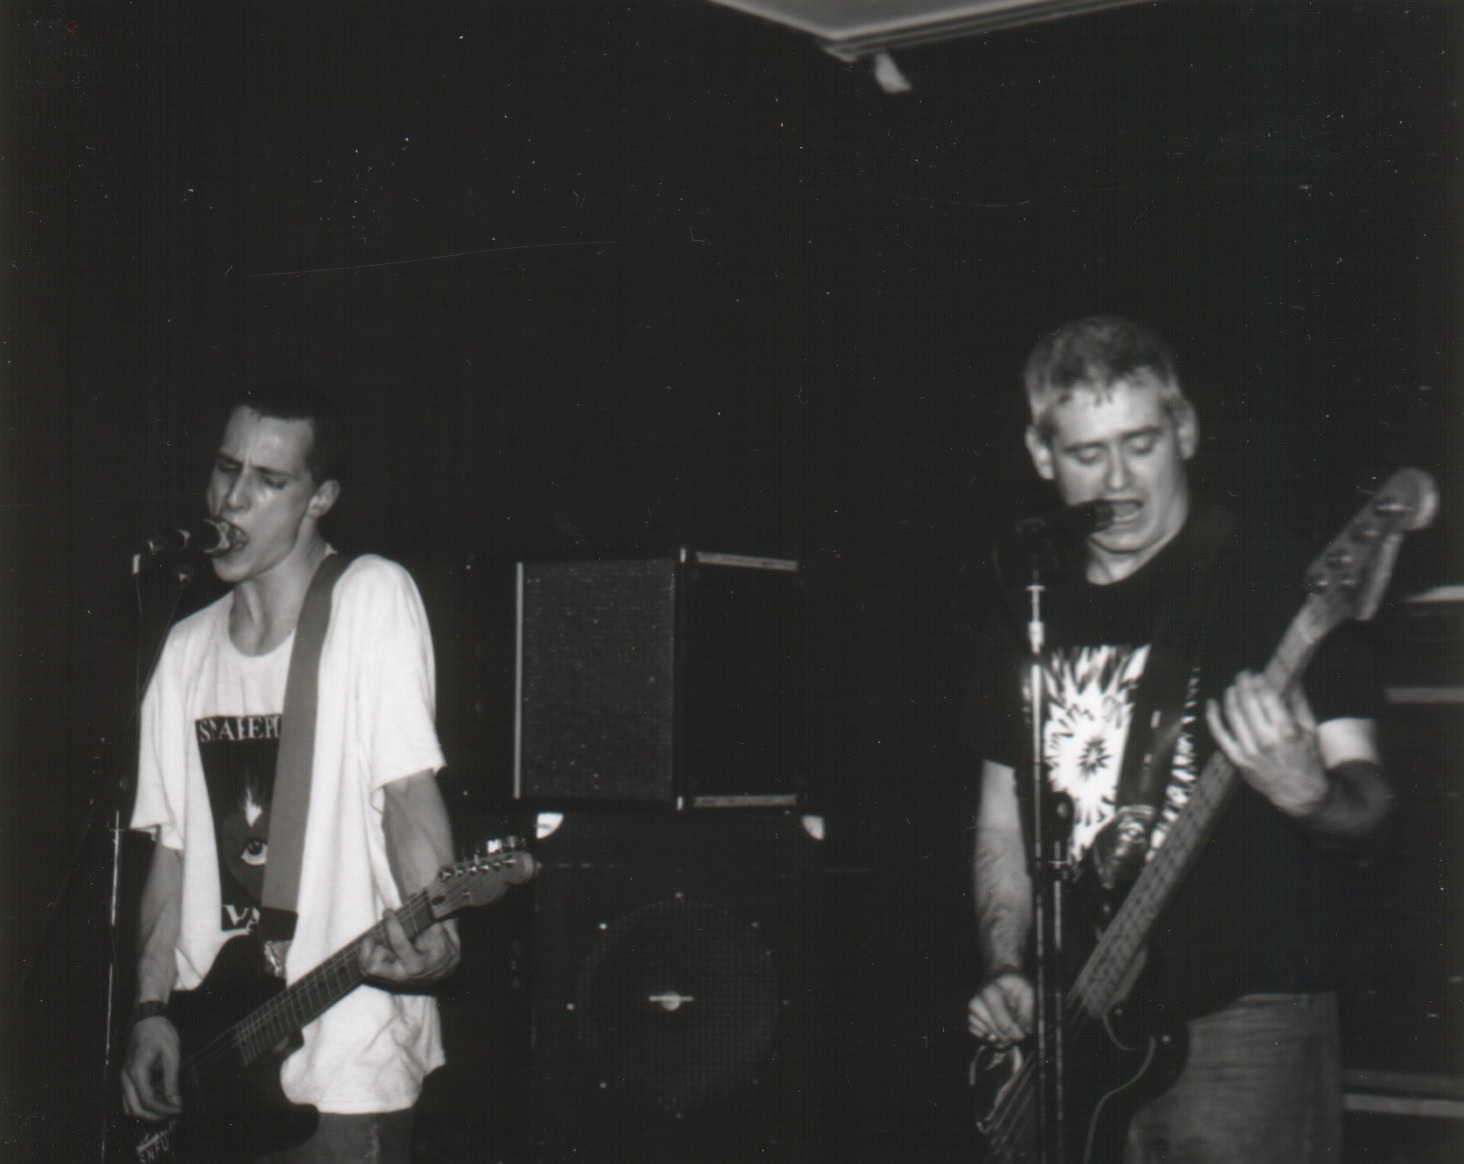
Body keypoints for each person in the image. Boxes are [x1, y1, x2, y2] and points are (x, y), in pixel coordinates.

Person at [966, 316, 1393, 1162]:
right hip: (1079, 1025)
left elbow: (1373, 806)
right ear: (1042, 454)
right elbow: (1000, 823)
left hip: (1244, 1017)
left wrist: (1310, 794)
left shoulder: (1277, 581)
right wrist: (1006, 964)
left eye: (1142, 444)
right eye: (1088, 454)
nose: (1118, 480)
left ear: (1185, 430)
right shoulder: (1031, 609)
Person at [120, 382, 461, 1162]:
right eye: (226, 469)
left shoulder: (368, 597)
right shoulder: (183, 648)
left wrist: (440, 923)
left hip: (345, 1059)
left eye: (269, 481)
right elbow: (171, 855)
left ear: (321, 498)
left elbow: (408, 792)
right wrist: (150, 1009)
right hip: (214, 1047)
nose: (233, 500)